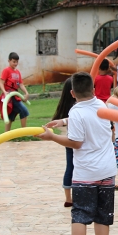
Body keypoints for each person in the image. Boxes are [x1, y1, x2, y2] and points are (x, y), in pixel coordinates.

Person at [36, 71, 117, 235]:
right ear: (94, 89)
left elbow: (76, 142)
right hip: (107, 170)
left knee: (80, 214)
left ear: (72, 93)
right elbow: (88, 118)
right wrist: (63, 122)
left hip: (86, 174)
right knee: (102, 213)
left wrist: (52, 137)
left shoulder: (76, 111)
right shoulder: (101, 105)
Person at [50, 78, 76, 207]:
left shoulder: (68, 105)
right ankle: (75, 196)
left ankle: (68, 198)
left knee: (70, 167)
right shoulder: (77, 106)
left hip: (69, 140)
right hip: (75, 141)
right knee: (76, 168)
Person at [0, 52, 30, 131]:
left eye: (17, 62)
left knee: (11, 114)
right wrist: (5, 92)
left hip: (15, 95)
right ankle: (24, 132)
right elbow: (1, 83)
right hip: (9, 95)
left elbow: (20, 84)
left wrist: (26, 93)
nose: (15, 63)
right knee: (23, 110)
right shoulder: (6, 70)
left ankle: (6, 134)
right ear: (9, 61)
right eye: (13, 62)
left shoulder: (17, 72)